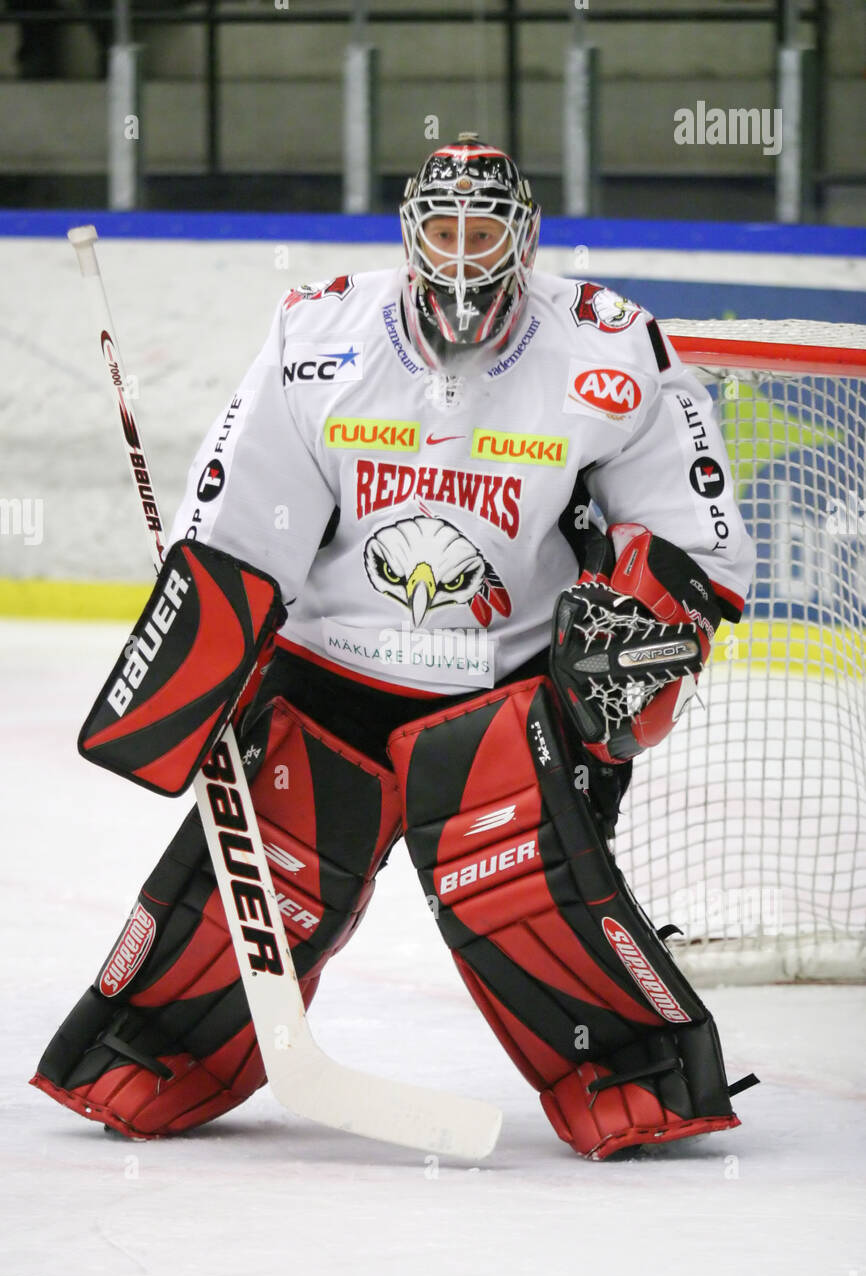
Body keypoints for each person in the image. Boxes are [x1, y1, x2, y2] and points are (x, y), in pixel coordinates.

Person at [32, 135, 757, 1159]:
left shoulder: (610, 346)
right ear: (409, 238)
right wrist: (198, 663)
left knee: (518, 885)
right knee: (265, 871)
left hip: (504, 685)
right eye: (444, 231)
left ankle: (630, 1070)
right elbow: (240, 522)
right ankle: (146, 1046)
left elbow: (692, 525)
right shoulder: (318, 334)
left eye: (484, 231)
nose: (463, 257)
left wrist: (641, 622)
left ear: (526, 237)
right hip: (329, 670)